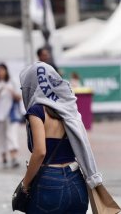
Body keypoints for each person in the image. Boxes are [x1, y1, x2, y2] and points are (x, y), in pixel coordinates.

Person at [19, 61, 102, 213]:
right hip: (77, 182)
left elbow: (40, 152)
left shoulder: (36, 111)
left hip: (49, 183)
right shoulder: (69, 109)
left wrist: (25, 184)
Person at [0, 63, 21, 168]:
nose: (1, 72)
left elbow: (19, 97)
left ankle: (14, 157)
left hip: (10, 114)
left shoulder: (12, 81)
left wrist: (11, 91)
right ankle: (4, 156)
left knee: (12, 135)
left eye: (3, 70)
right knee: (1, 136)